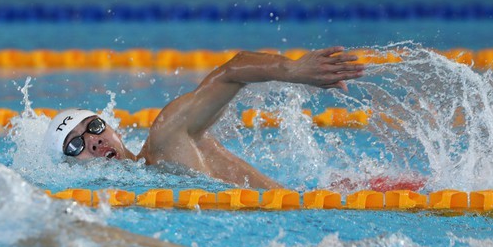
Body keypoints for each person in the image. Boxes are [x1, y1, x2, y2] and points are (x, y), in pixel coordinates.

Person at [44, 47, 365, 189]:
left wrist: (292, 70)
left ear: (111, 127)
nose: (95, 141)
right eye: (76, 145)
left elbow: (230, 72)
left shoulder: (167, 140)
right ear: (67, 167)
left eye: (95, 127)